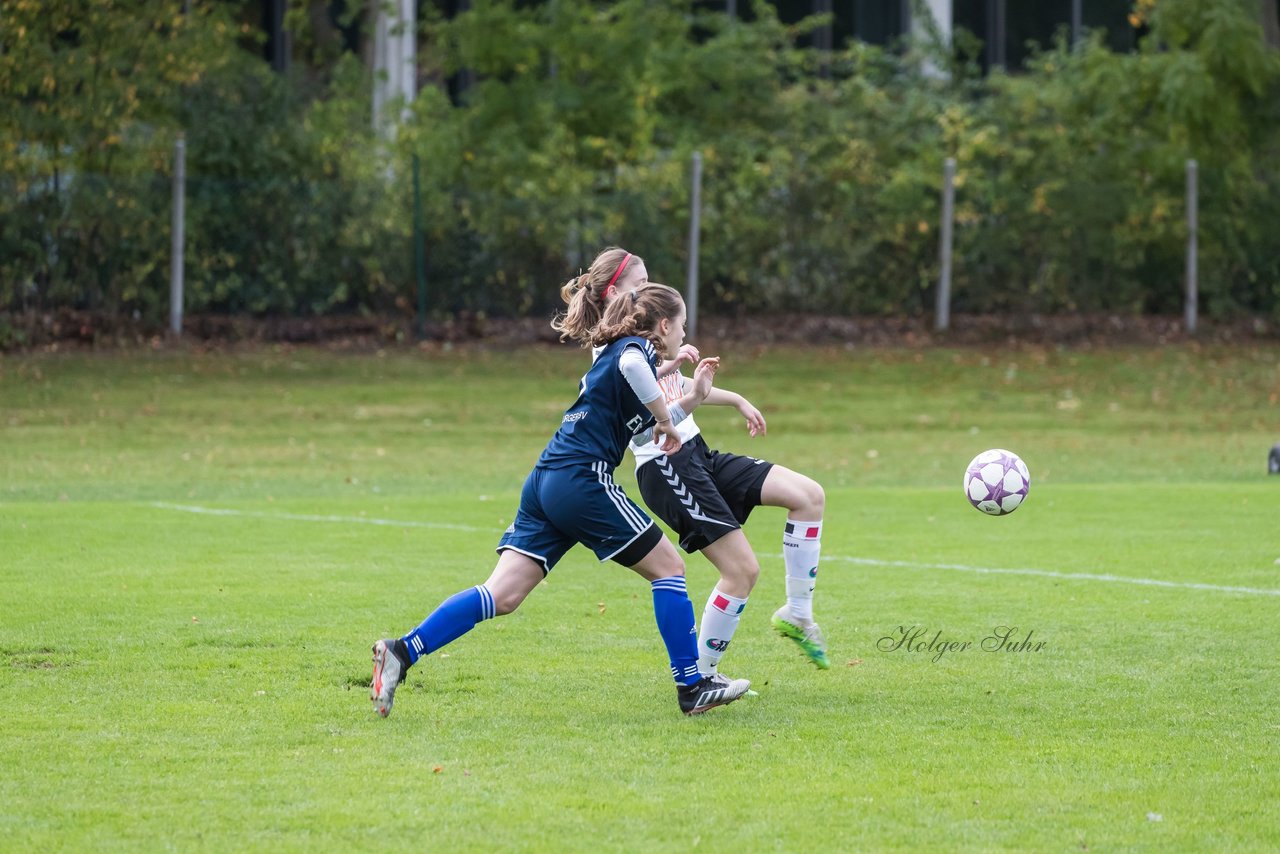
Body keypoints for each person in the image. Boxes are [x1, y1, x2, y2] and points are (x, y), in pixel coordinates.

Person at [372, 283, 752, 718]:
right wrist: (667, 411)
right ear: (664, 325)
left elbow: (645, 433)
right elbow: (636, 369)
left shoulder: (618, 356)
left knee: (503, 594)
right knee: (670, 568)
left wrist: (693, 398)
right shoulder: (634, 350)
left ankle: (402, 650)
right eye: (682, 325)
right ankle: (692, 685)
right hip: (582, 478)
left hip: (546, 479)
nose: (684, 334)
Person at [556, 248, 829, 678]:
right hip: (668, 466)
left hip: (698, 453)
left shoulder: (642, 345)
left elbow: (671, 384)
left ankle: (797, 613)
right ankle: (700, 678)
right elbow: (647, 418)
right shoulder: (614, 350)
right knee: (741, 571)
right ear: (614, 293)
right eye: (639, 283)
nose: (647, 289)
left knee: (809, 495)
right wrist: (677, 384)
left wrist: (731, 397)